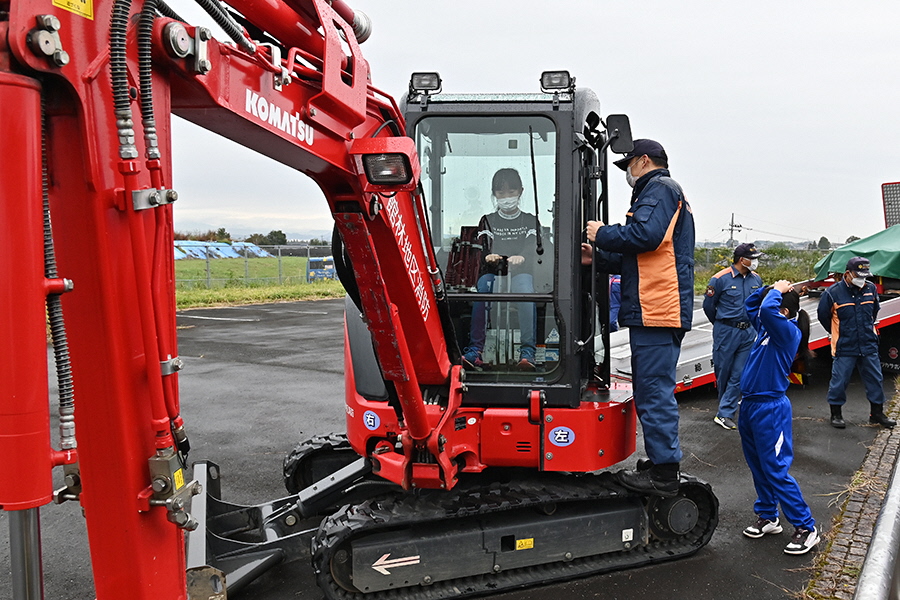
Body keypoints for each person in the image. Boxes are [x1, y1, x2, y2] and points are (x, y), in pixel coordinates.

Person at [582, 138, 694, 496]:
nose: (627, 172)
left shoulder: (659, 189)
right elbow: (640, 259)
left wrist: (602, 234)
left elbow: (644, 235)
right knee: (651, 389)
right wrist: (597, 257)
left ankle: (664, 474)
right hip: (655, 308)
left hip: (657, 311)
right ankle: (662, 462)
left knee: (653, 391)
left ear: (644, 160)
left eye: (628, 164)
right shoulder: (663, 191)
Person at [739, 281, 820, 555]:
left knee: (775, 468)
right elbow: (753, 306)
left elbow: (765, 310)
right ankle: (769, 516)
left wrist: (775, 292)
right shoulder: (767, 328)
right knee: (758, 465)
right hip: (750, 405)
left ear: (784, 311)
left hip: (770, 409)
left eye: (775, 303)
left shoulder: (787, 331)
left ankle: (806, 527)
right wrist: (768, 289)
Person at [462, 168, 538, 371]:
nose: (507, 198)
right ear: (494, 194)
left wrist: (522, 256)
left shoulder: (530, 220)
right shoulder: (487, 220)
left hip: (520, 273)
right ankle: (474, 350)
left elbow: (532, 248)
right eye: (501, 193)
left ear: (521, 191)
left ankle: (528, 352)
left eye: (511, 192)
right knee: (484, 286)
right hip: (493, 272)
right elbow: (483, 246)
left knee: (525, 288)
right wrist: (489, 255)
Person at [817, 257, 896, 429]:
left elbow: (873, 312)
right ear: (847, 274)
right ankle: (836, 414)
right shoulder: (833, 293)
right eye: (858, 275)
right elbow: (823, 316)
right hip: (845, 345)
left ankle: (877, 414)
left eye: (865, 275)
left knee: (875, 379)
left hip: (868, 344)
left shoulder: (871, 288)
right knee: (840, 381)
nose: (863, 279)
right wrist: (838, 333)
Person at [703, 243, 764, 430]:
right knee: (723, 371)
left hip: (747, 331)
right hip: (726, 331)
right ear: (741, 259)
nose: (755, 262)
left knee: (739, 373)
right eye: (752, 258)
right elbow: (709, 307)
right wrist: (722, 325)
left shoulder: (756, 279)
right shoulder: (719, 279)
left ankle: (725, 413)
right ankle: (725, 407)